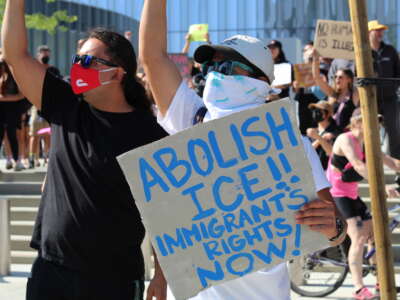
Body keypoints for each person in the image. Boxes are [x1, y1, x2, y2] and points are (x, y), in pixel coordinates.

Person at [139, 1, 346, 299]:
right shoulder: (191, 120)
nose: (213, 74)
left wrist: (332, 225)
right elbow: (152, 57)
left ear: (261, 81)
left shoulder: (290, 145)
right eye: (209, 66)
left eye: (225, 66)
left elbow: (334, 228)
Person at [2, 1, 168, 299]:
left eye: (89, 61)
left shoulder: (149, 134)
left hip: (112, 280)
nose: (78, 67)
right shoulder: (65, 103)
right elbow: (15, 55)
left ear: (118, 74)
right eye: (77, 59)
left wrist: (161, 273)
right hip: (50, 272)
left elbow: (163, 210)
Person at [326, 108, 400, 299]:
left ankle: (379, 282)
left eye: (378, 123)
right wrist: (382, 187)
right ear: (358, 122)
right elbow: (358, 165)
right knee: (358, 236)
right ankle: (358, 289)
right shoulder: (345, 139)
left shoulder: (367, 141)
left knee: (374, 236)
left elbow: (390, 161)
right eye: (372, 122)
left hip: (352, 194)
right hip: (337, 194)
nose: (377, 126)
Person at [368, 20, 400, 160]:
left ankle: (398, 168)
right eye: (377, 30)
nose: (381, 33)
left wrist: (394, 89)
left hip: (389, 99)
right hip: (369, 100)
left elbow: (398, 74)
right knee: (368, 133)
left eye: (382, 30)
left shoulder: (390, 50)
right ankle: (369, 166)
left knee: (394, 133)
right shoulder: (363, 52)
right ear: (369, 32)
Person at [312, 49, 359, 131]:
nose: (337, 79)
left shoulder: (354, 94)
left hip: (346, 135)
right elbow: (317, 78)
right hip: (331, 134)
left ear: (349, 80)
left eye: (340, 77)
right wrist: (315, 59)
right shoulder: (333, 94)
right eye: (335, 77)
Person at [0, 59, 27, 171]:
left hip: (12, 110)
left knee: (13, 135)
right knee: (1, 135)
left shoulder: (14, 78)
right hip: (1, 110)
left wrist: (5, 99)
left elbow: (21, 95)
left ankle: (17, 160)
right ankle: (10, 159)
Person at [306, 101, 340, 170]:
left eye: (319, 111)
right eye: (314, 110)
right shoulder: (312, 131)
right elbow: (306, 152)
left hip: (328, 171)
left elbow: (332, 153)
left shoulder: (335, 132)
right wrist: (319, 139)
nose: (315, 113)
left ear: (328, 114)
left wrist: (319, 138)